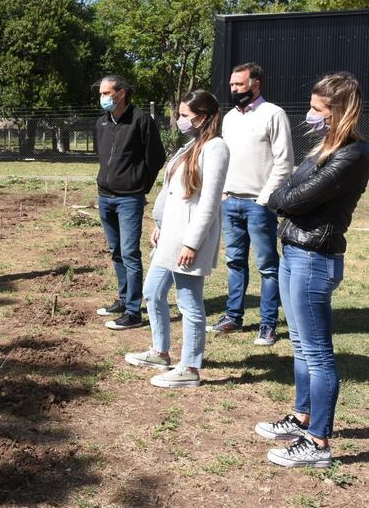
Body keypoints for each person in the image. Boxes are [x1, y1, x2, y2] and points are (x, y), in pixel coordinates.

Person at [255, 73, 369, 469]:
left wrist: (281, 199)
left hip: (314, 258)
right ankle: (302, 418)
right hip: (294, 252)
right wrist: (282, 198)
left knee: (318, 354)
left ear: (338, 112)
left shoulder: (352, 155)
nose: (311, 114)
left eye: (319, 109)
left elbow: (293, 197)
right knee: (302, 346)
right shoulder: (325, 147)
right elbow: (285, 192)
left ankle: (318, 442)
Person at [124, 90, 230, 388]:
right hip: (169, 236)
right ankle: (160, 351)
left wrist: (192, 243)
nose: (180, 120)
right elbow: (172, 191)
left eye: (185, 116)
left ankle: (191, 367)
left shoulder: (215, 148)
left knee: (189, 302)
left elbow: (209, 202)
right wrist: (159, 223)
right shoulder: (190, 146)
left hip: (188, 240)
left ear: (204, 117)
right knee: (153, 292)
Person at [208, 63, 294, 346]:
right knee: (234, 263)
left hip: (259, 205)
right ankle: (234, 316)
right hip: (230, 201)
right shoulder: (229, 118)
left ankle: (267, 325)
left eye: (239, 85)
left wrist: (265, 198)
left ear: (256, 83)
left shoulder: (273, 114)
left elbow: (284, 162)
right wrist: (222, 192)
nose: (233, 90)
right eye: (232, 85)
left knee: (267, 266)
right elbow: (223, 158)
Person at [94, 75, 166, 330]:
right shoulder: (102, 122)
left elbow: (156, 158)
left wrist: (139, 186)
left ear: (121, 93)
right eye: (101, 94)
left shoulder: (141, 120)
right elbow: (102, 156)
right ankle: (124, 300)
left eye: (106, 93)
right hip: (105, 197)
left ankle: (134, 312)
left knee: (130, 253)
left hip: (129, 199)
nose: (102, 98)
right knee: (116, 252)